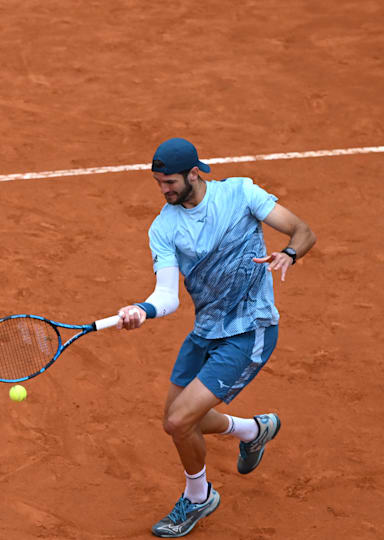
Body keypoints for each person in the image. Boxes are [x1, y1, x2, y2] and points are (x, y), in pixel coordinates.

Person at [114, 138, 316, 537]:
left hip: (249, 329)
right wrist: (142, 309)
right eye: (158, 183)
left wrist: (289, 254)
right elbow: (167, 296)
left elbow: (302, 230)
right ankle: (253, 431)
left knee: (180, 419)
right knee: (175, 422)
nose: (163, 190)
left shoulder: (240, 194)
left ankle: (198, 497)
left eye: (169, 182)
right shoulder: (164, 227)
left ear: (194, 174)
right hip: (206, 330)